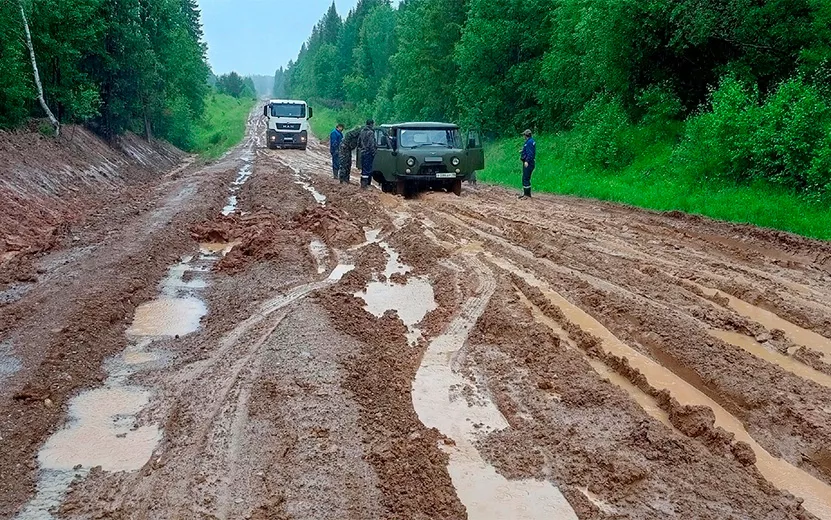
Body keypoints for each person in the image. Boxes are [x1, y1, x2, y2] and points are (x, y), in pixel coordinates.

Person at [358, 119, 377, 189]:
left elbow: (359, 142)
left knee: (364, 169)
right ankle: (365, 186)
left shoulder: (362, 131)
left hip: (363, 152)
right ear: (372, 124)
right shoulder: (370, 132)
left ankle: (364, 184)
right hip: (368, 152)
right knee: (368, 169)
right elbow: (371, 144)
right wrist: (374, 152)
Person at [518, 129, 536, 199]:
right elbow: (530, 151)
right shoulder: (531, 141)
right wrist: (523, 151)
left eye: (524, 135)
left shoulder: (529, 142)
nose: (523, 136)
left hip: (528, 163)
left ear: (526, 135)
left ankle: (527, 195)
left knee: (526, 178)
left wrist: (526, 161)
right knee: (526, 177)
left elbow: (530, 154)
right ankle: (526, 193)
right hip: (530, 162)